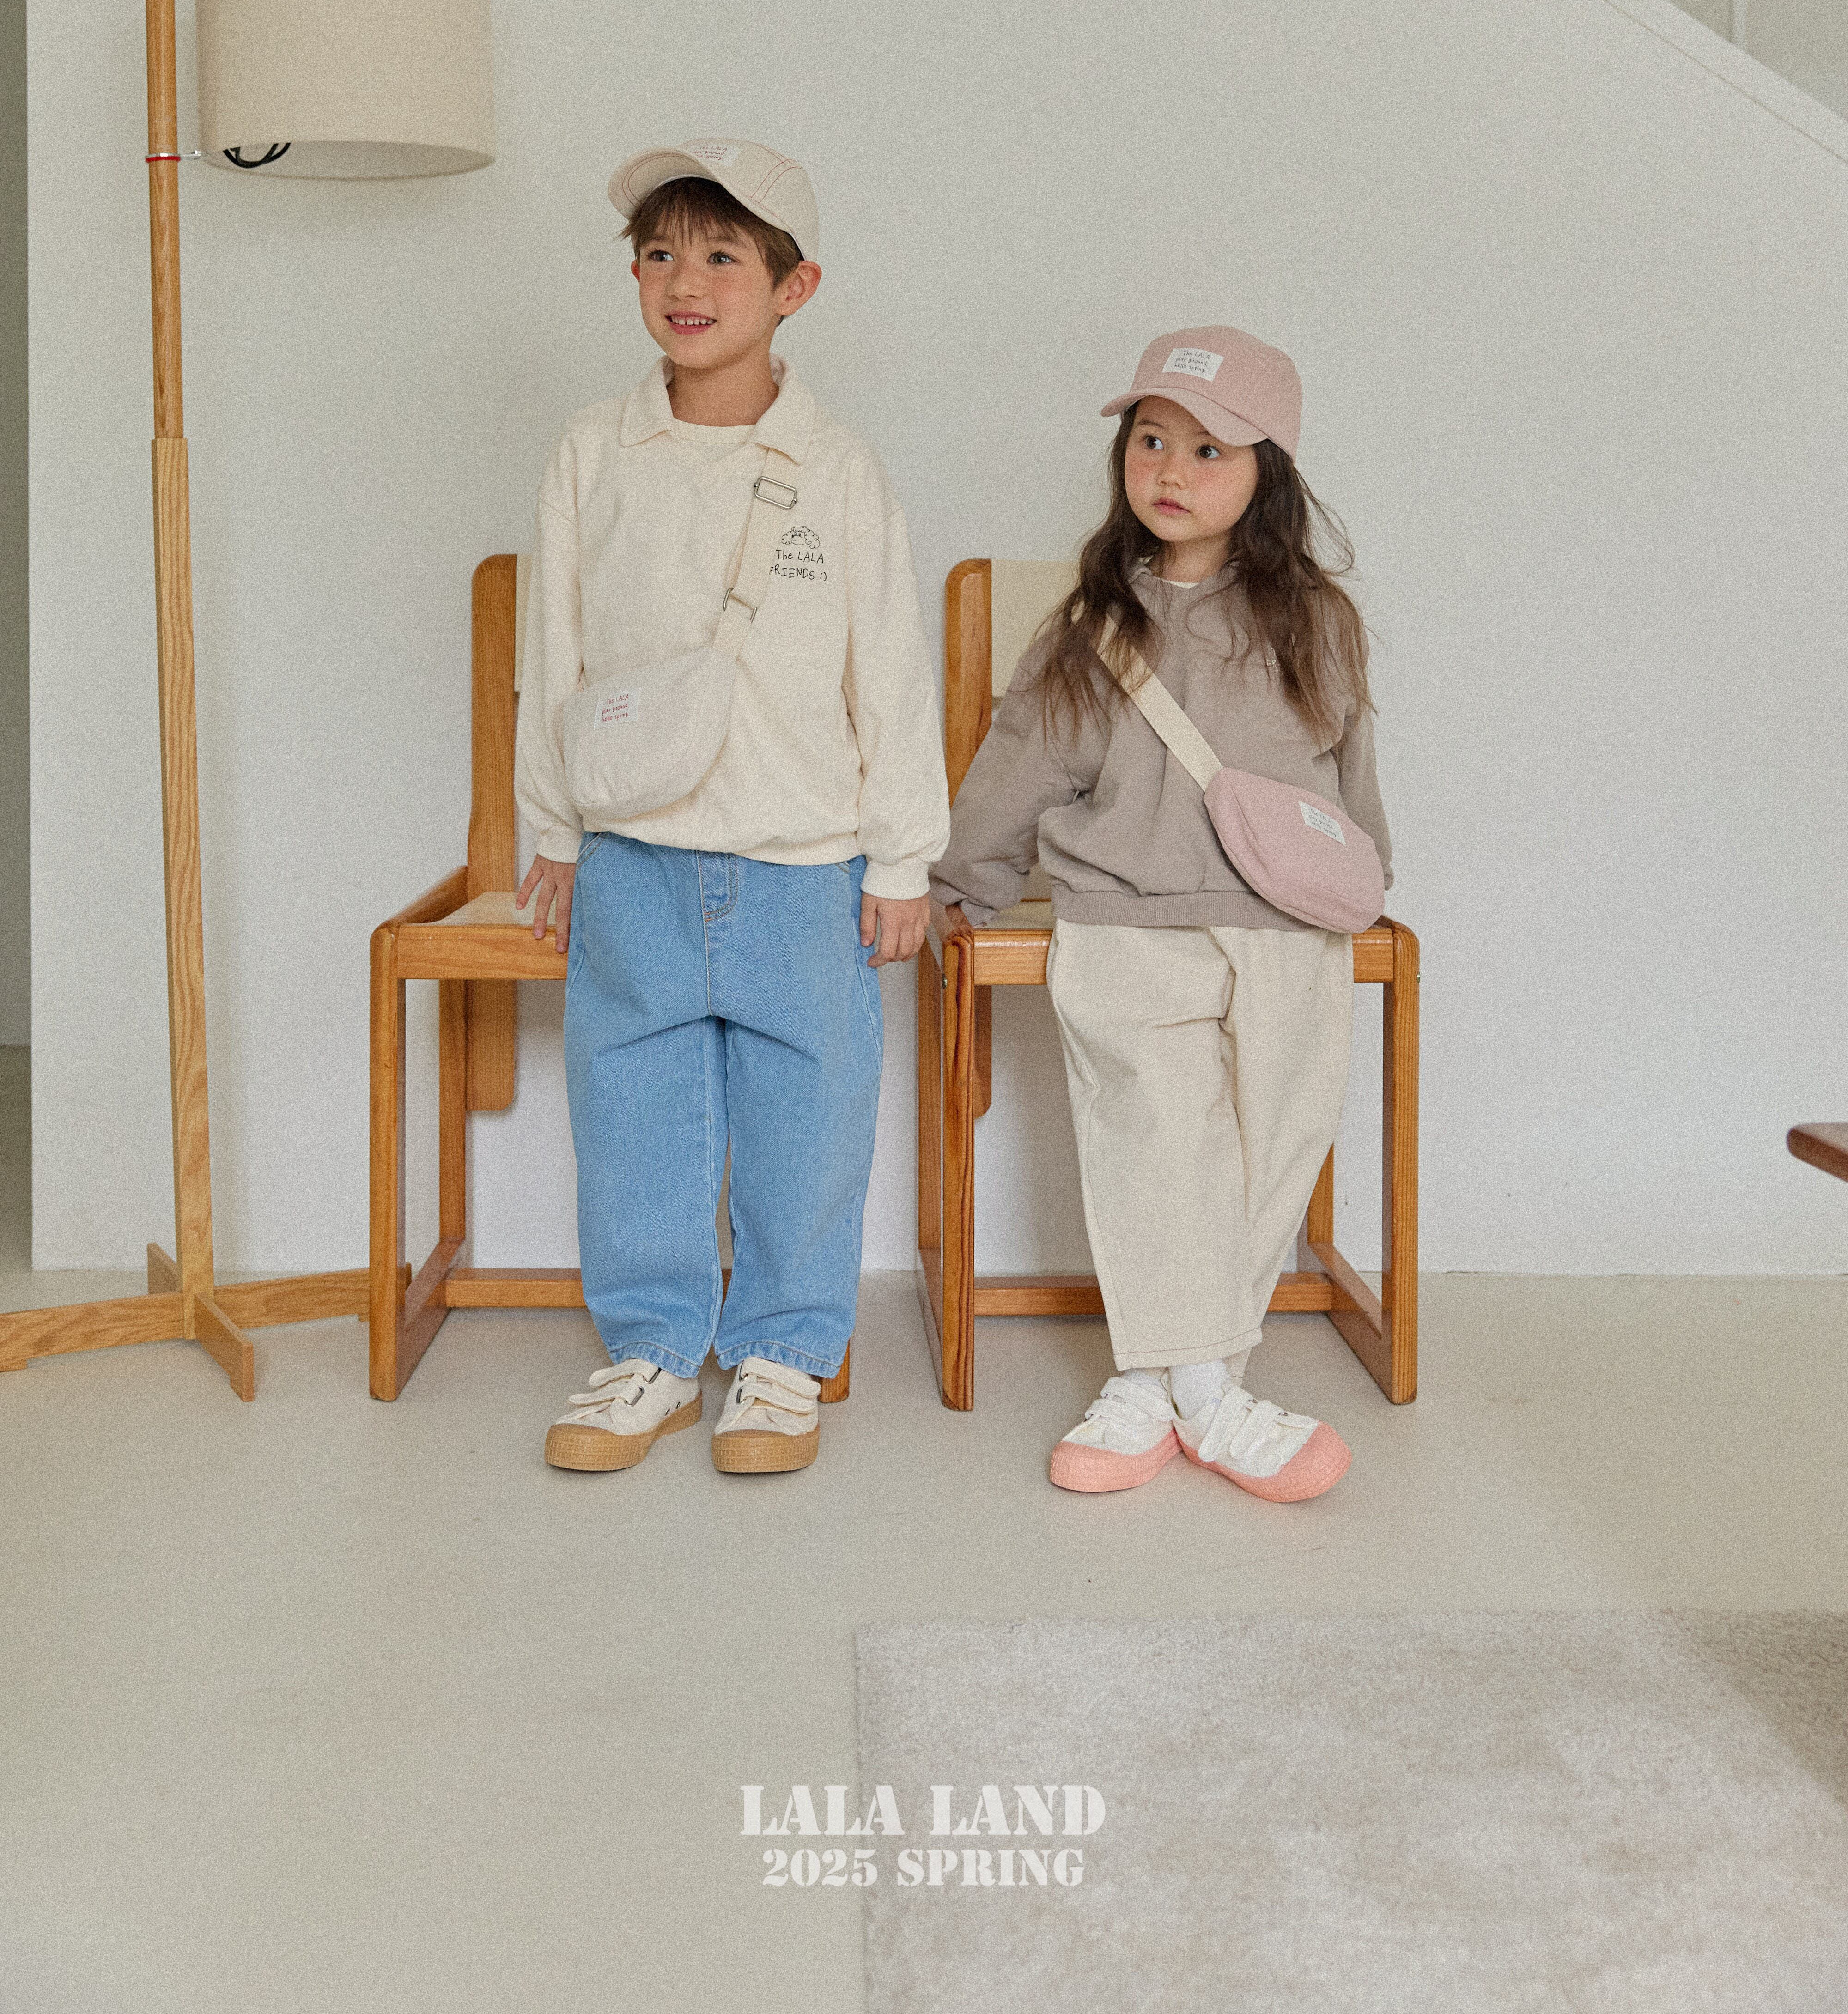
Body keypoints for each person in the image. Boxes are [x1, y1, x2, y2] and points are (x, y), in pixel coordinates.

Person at [514, 140, 948, 1477]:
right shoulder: (595, 452)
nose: (683, 283)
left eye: (720, 256)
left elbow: (891, 665)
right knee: (629, 1105)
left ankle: (781, 1356)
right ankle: (650, 1351)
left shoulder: (839, 468)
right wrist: (554, 834)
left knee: (808, 1115)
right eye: (658, 254)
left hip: (804, 859)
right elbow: (555, 651)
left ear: (793, 287)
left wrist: (904, 858)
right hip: (635, 853)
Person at [930, 325, 1391, 1502]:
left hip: (1286, 928)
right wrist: (959, 885)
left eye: (1206, 449)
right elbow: (1019, 763)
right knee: (1154, 1141)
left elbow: (1347, 775)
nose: (1169, 470)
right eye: (1149, 440)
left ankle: (1168, 1384)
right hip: (1124, 919)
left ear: (1266, 471)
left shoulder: (1318, 622)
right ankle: (1196, 1396)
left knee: (1273, 1144)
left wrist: (1363, 879)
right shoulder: (1091, 625)